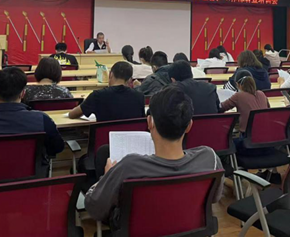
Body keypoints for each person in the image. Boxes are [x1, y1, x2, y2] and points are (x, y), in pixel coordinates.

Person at [84, 87, 224, 224]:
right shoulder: (209, 158)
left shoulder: (128, 167)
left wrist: (107, 176)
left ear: (150, 122)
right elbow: (214, 197)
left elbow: (95, 208)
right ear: (189, 126)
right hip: (190, 229)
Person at [69, 61, 144, 121]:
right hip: (131, 135)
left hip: (105, 136)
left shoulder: (97, 95)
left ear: (110, 74)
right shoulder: (139, 96)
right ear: (130, 80)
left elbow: (72, 115)